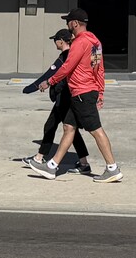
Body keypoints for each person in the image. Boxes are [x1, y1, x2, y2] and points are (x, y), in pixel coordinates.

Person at [29, 7, 122, 183]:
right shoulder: (95, 41)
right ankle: (51, 167)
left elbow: (67, 67)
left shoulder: (80, 42)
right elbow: (99, 68)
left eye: (68, 21)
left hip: (82, 92)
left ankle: (112, 168)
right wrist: (100, 92)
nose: (67, 24)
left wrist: (49, 81)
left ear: (75, 23)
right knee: (69, 127)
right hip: (86, 91)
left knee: (96, 130)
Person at [19, 28, 93, 173]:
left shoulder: (65, 56)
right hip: (68, 98)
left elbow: (51, 73)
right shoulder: (71, 54)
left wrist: (31, 88)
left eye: (55, 40)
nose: (55, 43)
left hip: (64, 99)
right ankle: (84, 164)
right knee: (71, 131)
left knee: (52, 126)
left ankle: (39, 158)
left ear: (61, 41)